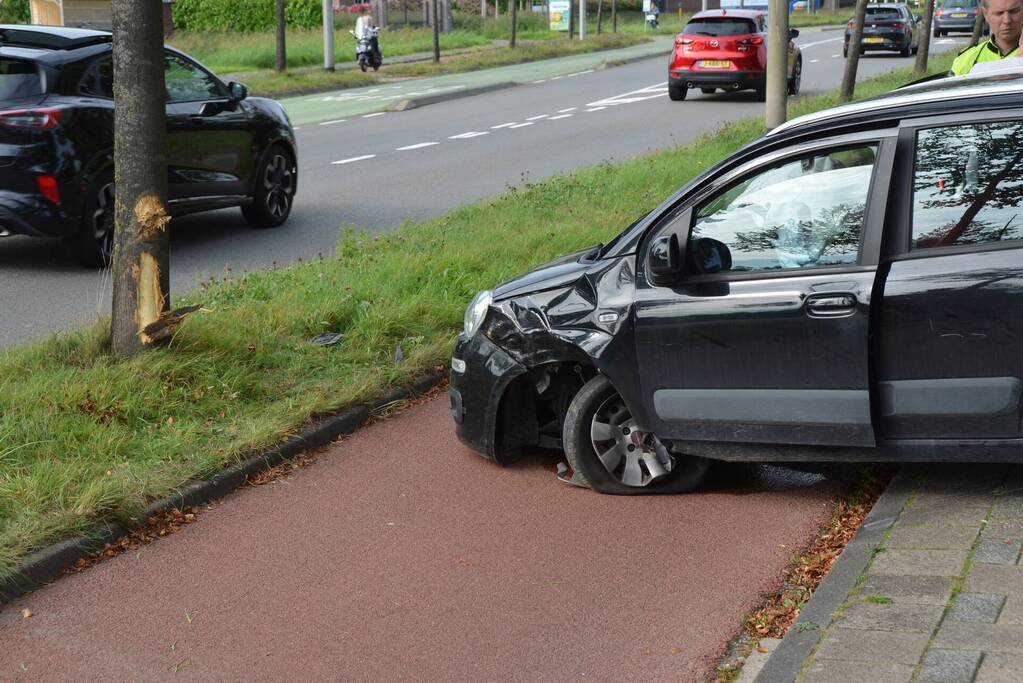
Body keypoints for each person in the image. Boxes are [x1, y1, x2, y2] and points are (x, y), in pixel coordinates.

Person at [950, 0, 1022, 75]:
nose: (1007, 20)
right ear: (986, 15)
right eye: (999, 13)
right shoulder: (966, 60)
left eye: (1013, 11)